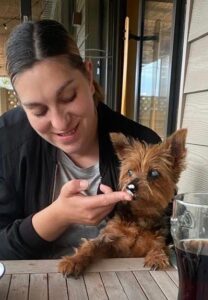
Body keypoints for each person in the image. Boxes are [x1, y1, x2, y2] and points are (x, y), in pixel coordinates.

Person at [0, 20, 161, 260]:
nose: (60, 123)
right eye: (38, 111)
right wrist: (57, 216)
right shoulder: (6, 142)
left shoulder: (141, 145)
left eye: (68, 97)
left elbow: (160, 234)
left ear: (88, 76)